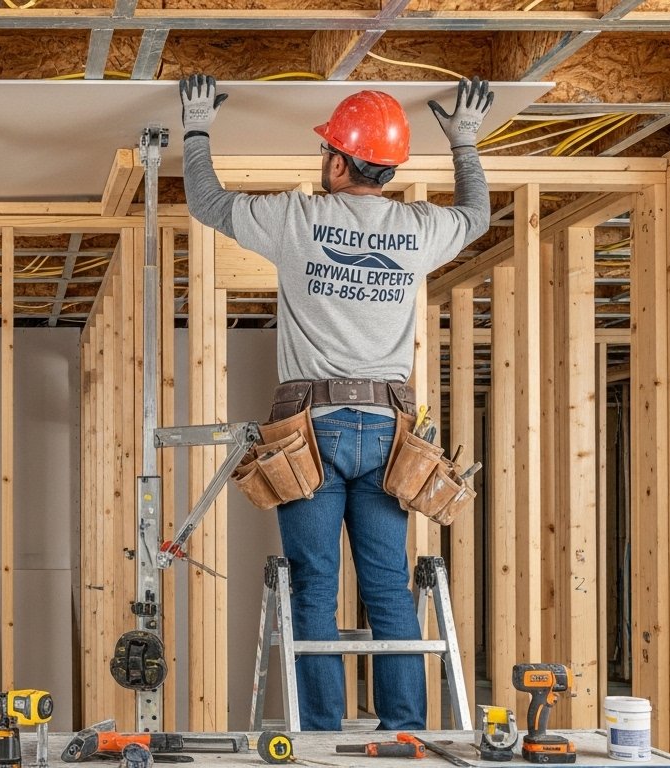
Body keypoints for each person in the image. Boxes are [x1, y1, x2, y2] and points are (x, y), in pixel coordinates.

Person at [178, 75, 494, 730]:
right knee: (388, 588)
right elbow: (476, 217)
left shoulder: (298, 220)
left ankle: (321, 733)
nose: (322, 159)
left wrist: (197, 124)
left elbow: (206, 202)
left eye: (328, 150)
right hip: (387, 434)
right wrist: (464, 140)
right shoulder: (417, 228)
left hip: (310, 433)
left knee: (313, 589)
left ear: (342, 162)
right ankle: (404, 732)